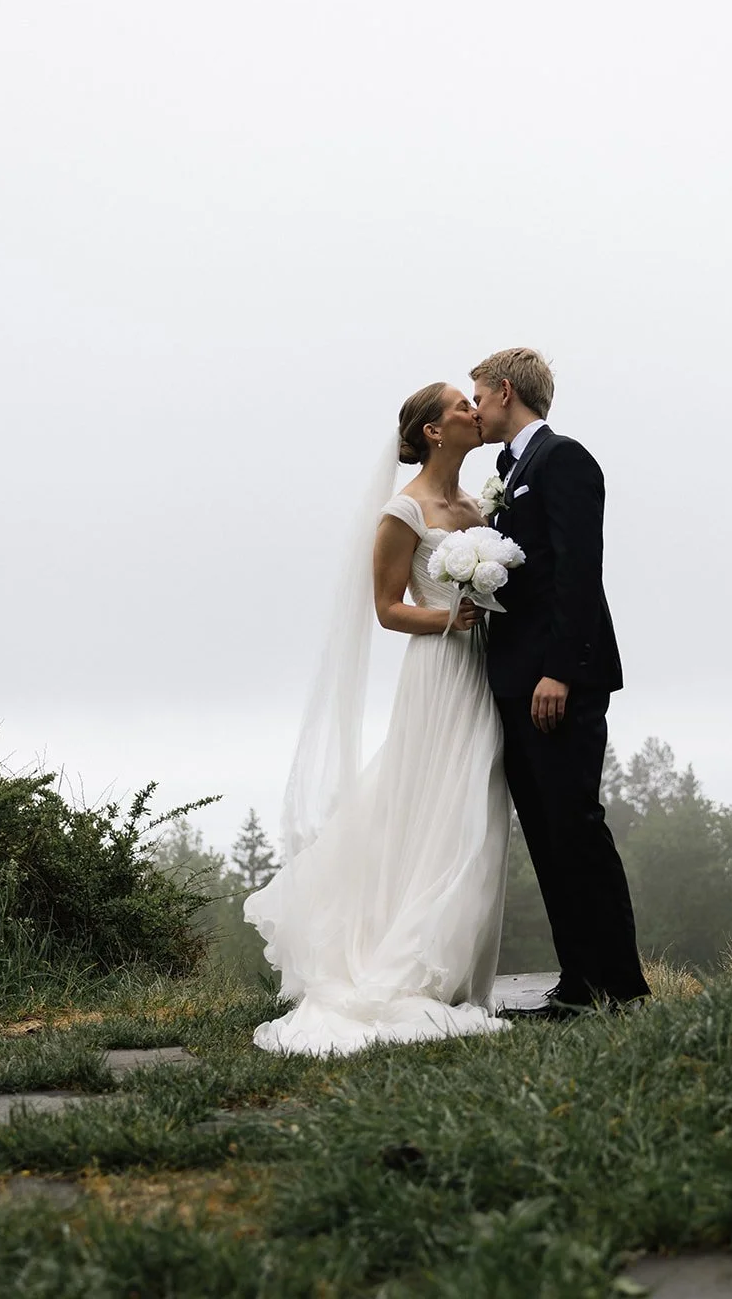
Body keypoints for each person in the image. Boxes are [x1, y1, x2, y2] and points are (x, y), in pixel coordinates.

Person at [244, 383, 512, 1056]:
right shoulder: (404, 510)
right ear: (429, 429)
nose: (473, 413)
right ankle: (411, 965)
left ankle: (453, 971)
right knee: (437, 807)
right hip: (439, 670)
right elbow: (387, 609)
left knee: (478, 806)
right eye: (460, 406)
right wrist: (451, 615)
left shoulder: (477, 505)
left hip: (486, 668)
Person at [470, 347, 650, 1014]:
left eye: (479, 396)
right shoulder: (508, 470)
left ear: (506, 391)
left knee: (574, 824)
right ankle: (579, 983)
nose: (476, 409)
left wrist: (559, 671)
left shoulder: (564, 458)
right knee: (546, 835)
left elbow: (578, 571)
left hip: (556, 679)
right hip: (515, 679)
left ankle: (617, 985)